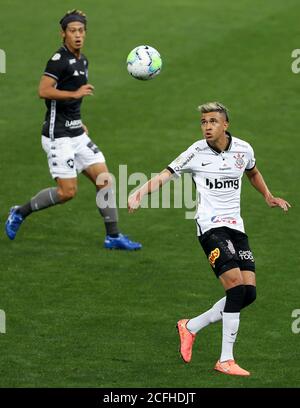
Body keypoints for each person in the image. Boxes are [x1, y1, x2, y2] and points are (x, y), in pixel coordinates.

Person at [128, 102, 291, 376]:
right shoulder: (195, 152)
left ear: (225, 125)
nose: (207, 126)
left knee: (248, 293)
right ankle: (225, 359)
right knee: (236, 289)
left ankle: (190, 326)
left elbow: (252, 171)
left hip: (236, 227)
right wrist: (140, 192)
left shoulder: (244, 149)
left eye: (213, 121)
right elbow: (166, 174)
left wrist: (268, 196)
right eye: (204, 122)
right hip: (210, 227)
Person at [5, 9, 141, 251]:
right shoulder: (58, 61)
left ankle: (113, 236)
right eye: (72, 31)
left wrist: (79, 122)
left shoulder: (82, 60)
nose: (77, 35)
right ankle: (19, 212)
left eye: (81, 31)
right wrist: (74, 93)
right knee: (67, 192)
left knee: (104, 180)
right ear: (63, 34)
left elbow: (71, 104)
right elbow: (44, 90)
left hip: (76, 133)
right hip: (58, 137)